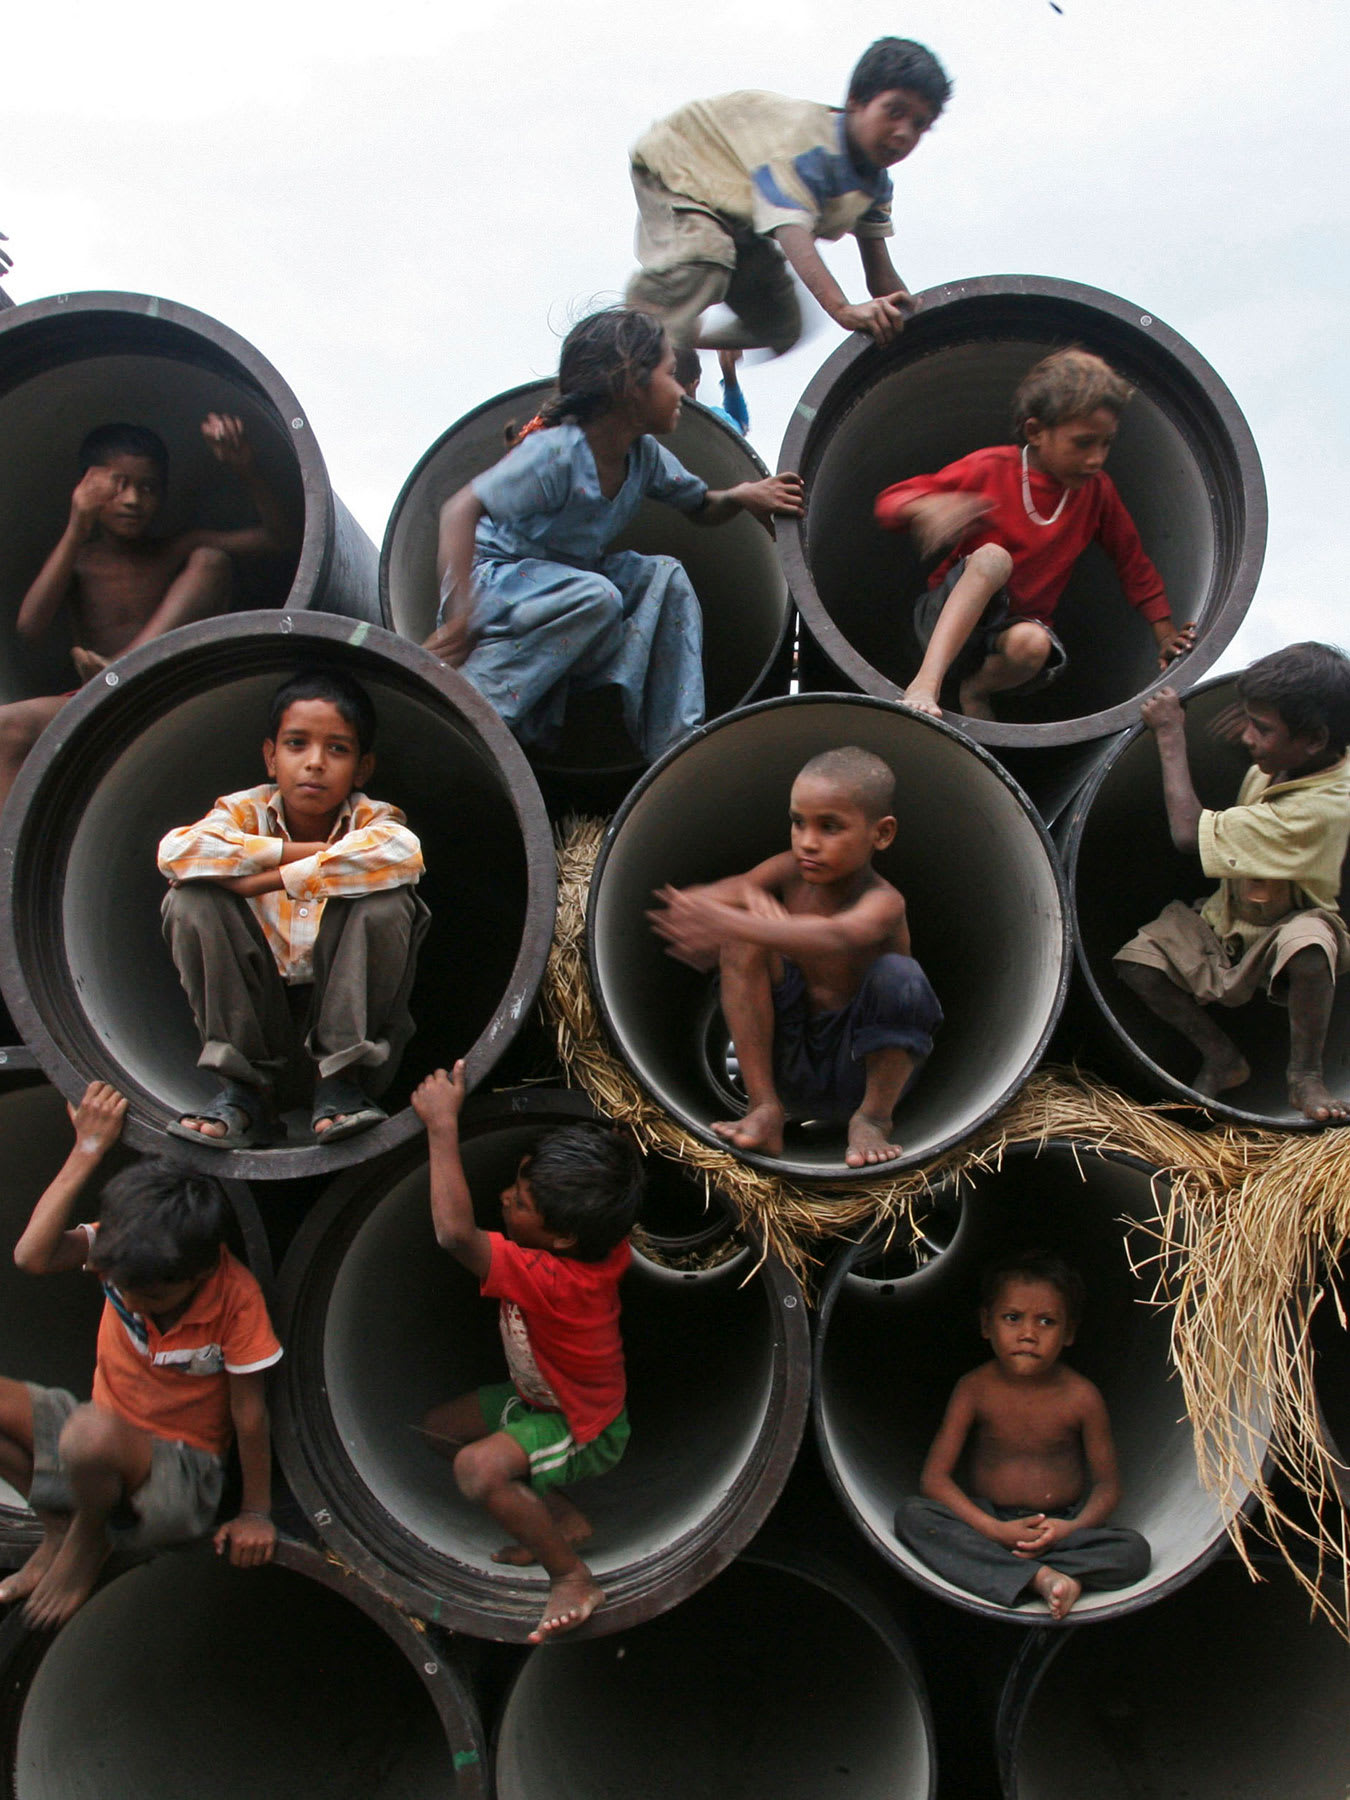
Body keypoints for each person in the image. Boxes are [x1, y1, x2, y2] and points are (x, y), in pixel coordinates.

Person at [426, 307, 802, 764]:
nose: (683, 391)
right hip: (492, 583)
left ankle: (674, 747)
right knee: (599, 595)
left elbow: (701, 507)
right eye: (671, 375)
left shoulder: (644, 457)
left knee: (666, 576)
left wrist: (743, 495)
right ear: (630, 386)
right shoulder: (557, 453)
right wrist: (462, 620)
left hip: (570, 588)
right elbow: (459, 511)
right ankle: (474, 705)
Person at [0, 1080, 282, 1628]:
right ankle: (58, 1525)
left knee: (89, 1434)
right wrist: (87, 1149)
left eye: (150, 1296)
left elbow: (250, 1414)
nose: (130, 1299)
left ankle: (87, 1538)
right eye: (119, 1285)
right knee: (87, 1431)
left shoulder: (235, 1297)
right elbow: (32, 1257)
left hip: (177, 1478)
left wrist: (256, 1513)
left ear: (200, 1272)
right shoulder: (128, 1251)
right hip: (95, 1449)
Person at [411, 1062, 643, 1644]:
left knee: (477, 1468)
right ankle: (564, 1518)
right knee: (440, 1432)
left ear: (563, 1238)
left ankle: (569, 1576)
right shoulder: (595, 1238)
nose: (503, 1199)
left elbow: (455, 1235)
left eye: (518, 1202)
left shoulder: (556, 1278)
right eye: (516, 1184)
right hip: (537, 1400)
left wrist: (443, 1125)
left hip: (582, 1425)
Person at [158, 667, 428, 1148]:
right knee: (193, 898)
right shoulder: (242, 813)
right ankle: (245, 1095)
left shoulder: (373, 820)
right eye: (297, 744)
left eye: (337, 749)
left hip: (349, 1048)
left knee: (386, 898)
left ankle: (341, 1088)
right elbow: (177, 854)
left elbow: (404, 853)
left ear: (362, 769)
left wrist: (264, 880)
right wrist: (301, 855)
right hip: (260, 1034)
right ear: (270, 756)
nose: (315, 763)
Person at [647, 745, 941, 1167]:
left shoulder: (884, 901)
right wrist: (736, 900)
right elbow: (717, 897)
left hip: (860, 1067)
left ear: (882, 833)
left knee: (902, 976)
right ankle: (764, 1108)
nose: (808, 842)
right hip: (790, 1060)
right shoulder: (788, 869)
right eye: (798, 823)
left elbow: (839, 935)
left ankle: (874, 1120)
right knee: (743, 940)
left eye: (829, 827)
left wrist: (741, 920)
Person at [875, 348, 1196, 720]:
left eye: (1106, 443)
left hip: (1006, 637)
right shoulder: (992, 468)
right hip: (941, 617)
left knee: (1035, 643)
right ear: (1035, 431)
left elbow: (1132, 562)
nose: (1096, 458)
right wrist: (926, 507)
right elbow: (888, 502)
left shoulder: (1097, 492)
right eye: (1083, 442)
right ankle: (925, 683)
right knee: (994, 558)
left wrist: (1165, 635)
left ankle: (976, 688)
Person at [0, 415, 297, 809]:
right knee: (7, 727)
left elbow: (281, 539)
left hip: (168, 685)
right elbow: (30, 627)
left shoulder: (173, 549)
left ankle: (122, 667)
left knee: (210, 559)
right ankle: (12, 860)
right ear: (87, 486)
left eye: (148, 487)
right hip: (95, 700)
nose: (133, 500)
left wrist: (247, 469)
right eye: (118, 485)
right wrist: (77, 522)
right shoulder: (80, 561)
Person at [1114, 643, 1350, 1122]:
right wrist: (1257, 723)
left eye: (1261, 728)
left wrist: (1170, 735)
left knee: (1309, 943)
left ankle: (1304, 1075)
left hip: (1285, 927)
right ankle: (1223, 1057)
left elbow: (1187, 834)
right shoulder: (1305, 754)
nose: (1247, 736)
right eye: (1248, 719)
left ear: (1314, 738)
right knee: (1137, 965)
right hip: (1227, 917)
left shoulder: (1321, 807)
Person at [625, 37, 950, 354]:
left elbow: (880, 277)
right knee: (706, 258)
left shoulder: (874, 184)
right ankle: (632, 336)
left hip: (737, 212)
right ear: (856, 101)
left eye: (919, 124)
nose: (904, 132)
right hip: (681, 168)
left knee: (782, 324)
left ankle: (676, 332)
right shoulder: (808, 143)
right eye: (894, 112)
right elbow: (791, 232)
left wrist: (917, 329)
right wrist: (843, 309)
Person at [895, 1254, 1150, 1620]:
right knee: (914, 1517)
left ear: (1069, 1333)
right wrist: (996, 1530)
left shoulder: (1082, 1397)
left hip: (1061, 1529)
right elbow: (934, 1480)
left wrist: (1071, 1528)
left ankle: (1024, 1574)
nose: (1028, 1334)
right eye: (1012, 1318)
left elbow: (1108, 1487)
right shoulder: (974, 1389)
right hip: (988, 1524)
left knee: (1133, 1551)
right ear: (986, 1323)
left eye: (1046, 1321)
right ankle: (1044, 1579)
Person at [673, 347, 751, 435]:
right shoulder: (710, 420)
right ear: (695, 384)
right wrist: (729, 375)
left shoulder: (657, 419)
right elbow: (741, 428)